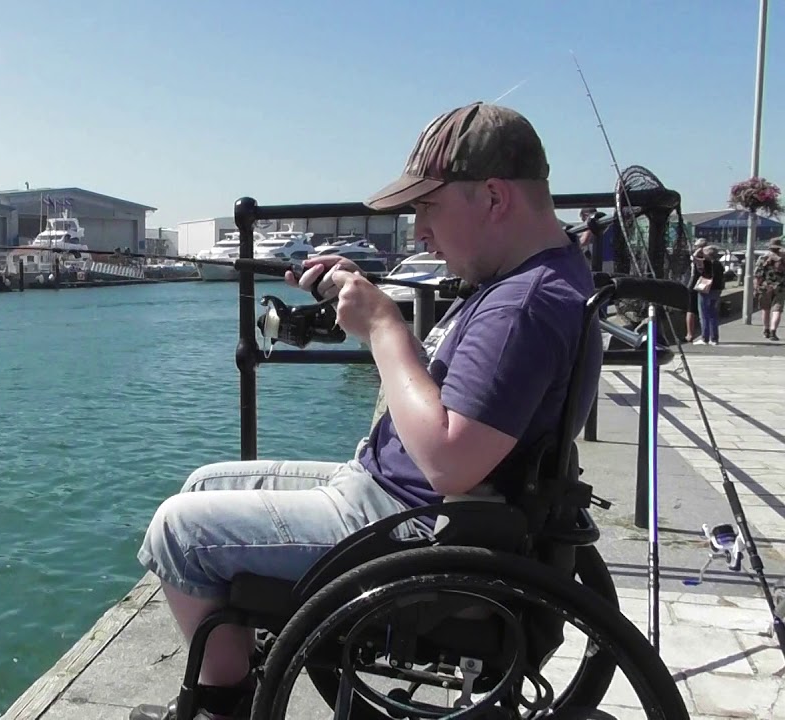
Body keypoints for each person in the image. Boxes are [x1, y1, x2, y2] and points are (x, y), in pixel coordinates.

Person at [130, 101, 604, 720]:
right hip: (407, 502)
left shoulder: (523, 304)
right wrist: (371, 298)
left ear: (494, 197)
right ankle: (236, 683)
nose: (420, 230)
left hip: (416, 523)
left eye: (427, 207)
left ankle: (224, 708)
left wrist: (383, 326)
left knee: (179, 531)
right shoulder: (531, 280)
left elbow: (450, 462)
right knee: (203, 485)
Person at [692, 245, 725, 346]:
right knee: (713, 315)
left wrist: (699, 250)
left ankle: (705, 338)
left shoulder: (706, 263)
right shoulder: (719, 264)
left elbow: (693, 258)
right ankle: (714, 339)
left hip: (706, 290)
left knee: (704, 315)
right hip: (717, 290)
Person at [754, 243, 784, 341]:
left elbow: (757, 274)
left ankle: (766, 329)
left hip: (765, 287)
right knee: (777, 310)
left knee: (765, 309)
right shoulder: (783, 258)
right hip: (780, 287)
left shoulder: (763, 258)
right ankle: (773, 331)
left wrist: (756, 287)